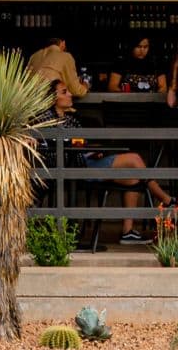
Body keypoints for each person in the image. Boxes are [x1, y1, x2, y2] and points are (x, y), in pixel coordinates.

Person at [48, 80, 171, 243]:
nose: (70, 94)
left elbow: (81, 144)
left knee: (133, 177)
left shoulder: (72, 119)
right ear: (53, 98)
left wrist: (93, 151)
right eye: (65, 92)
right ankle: (167, 200)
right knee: (135, 159)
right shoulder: (46, 119)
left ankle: (127, 232)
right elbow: (51, 148)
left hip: (84, 161)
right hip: (74, 166)